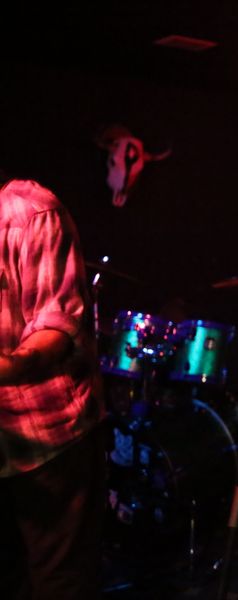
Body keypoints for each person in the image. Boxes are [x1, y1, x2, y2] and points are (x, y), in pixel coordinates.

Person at [0, 178, 105, 599]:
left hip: (48, 438)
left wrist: (10, 366)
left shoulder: (31, 211)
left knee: (58, 583)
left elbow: (57, 325)